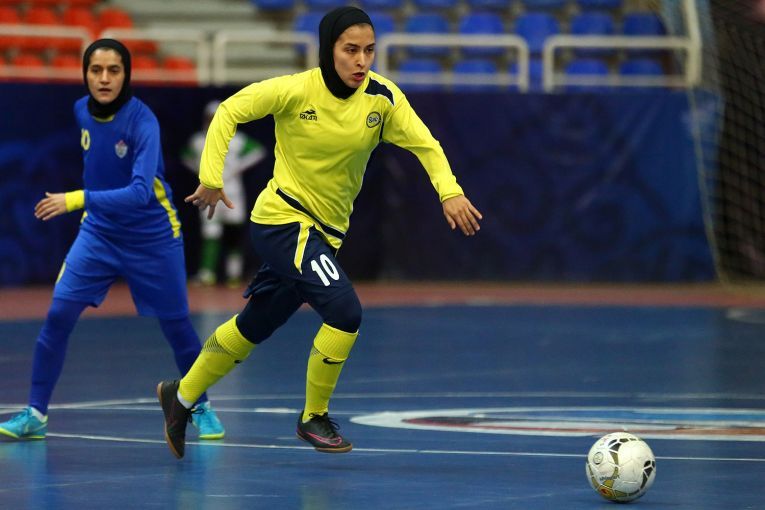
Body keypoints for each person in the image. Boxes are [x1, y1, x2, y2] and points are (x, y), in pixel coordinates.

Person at [157, 6, 482, 459]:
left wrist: (450, 192)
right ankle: (314, 416)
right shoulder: (295, 90)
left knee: (254, 325)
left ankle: (181, 395)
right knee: (345, 311)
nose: (361, 60)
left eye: (369, 50)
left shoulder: (383, 99)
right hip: (282, 221)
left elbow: (427, 145)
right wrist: (211, 176)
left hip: (325, 235)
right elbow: (229, 111)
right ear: (328, 50)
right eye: (350, 50)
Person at [0, 39, 225, 441]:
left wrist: (75, 199)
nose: (104, 78)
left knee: (176, 325)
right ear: (85, 74)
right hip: (99, 233)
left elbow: (140, 192)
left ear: (126, 75)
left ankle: (201, 405)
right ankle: (35, 414)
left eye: (114, 70)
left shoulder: (143, 122)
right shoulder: (80, 110)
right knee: (57, 316)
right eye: (96, 70)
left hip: (152, 236)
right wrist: (91, 205)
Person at [181, 100, 266, 287]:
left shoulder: (236, 140)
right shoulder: (198, 141)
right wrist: (202, 172)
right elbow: (186, 157)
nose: (212, 121)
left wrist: (236, 168)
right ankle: (207, 275)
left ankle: (234, 275)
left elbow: (257, 152)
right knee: (210, 232)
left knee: (234, 233)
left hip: (232, 192)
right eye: (210, 118)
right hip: (208, 193)